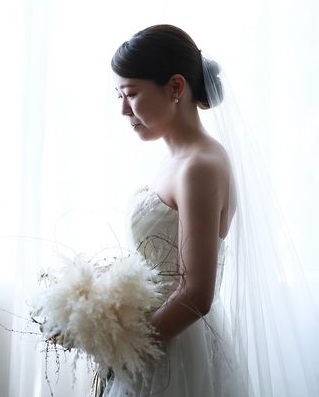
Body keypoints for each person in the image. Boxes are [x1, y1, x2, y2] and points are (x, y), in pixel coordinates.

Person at [104, 24, 317, 396]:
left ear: (176, 87)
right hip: (162, 336)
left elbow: (196, 294)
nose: (123, 110)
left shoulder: (199, 166)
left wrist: (127, 349)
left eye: (131, 94)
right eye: (119, 95)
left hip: (177, 348)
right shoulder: (176, 160)